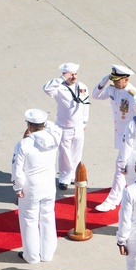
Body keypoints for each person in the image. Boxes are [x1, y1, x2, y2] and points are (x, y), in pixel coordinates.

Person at [12, 109, 63, 264]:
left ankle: (32, 256)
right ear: (43, 124)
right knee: (48, 218)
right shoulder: (54, 139)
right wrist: (45, 122)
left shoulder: (23, 144)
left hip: (31, 188)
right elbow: (56, 128)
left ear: (28, 125)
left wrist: (18, 188)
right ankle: (47, 254)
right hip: (48, 186)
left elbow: (17, 170)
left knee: (29, 221)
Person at [91, 64, 136, 212]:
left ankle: (113, 200)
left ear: (126, 79)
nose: (114, 82)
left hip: (132, 137)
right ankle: (127, 196)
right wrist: (103, 81)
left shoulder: (133, 94)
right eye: (113, 79)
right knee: (132, 167)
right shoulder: (112, 88)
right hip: (120, 134)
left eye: (117, 80)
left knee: (121, 166)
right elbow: (96, 95)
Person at [42, 62, 90, 190]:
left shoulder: (82, 86)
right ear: (64, 75)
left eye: (75, 74)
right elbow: (46, 88)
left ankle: (75, 175)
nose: (74, 77)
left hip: (78, 126)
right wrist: (62, 79)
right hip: (64, 127)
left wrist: (84, 122)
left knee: (77, 152)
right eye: (70, 75)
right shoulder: (59, 88)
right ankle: (64, 177)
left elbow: (85, 105)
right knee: (65, 154)